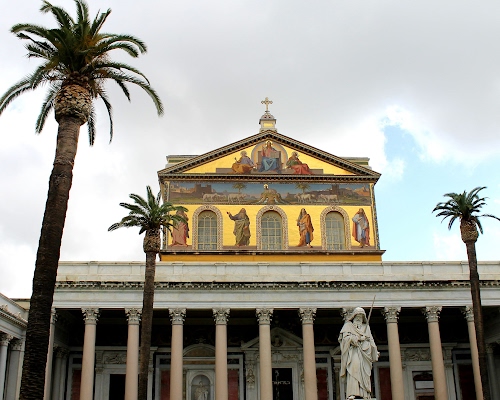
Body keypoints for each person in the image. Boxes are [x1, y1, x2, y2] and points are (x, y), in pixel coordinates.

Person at [338, 307, 379, 399]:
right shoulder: (348, 326)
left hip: (365, 353)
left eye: (361, 317)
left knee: (364, 372)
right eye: (357, 316)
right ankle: (352, 392)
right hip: (353, 352)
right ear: (353, 316)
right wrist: (358, 338)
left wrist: (374, 351)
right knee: (354, 368)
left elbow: (371, 341)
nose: (358, 319)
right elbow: (345, 339)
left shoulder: (366, 327)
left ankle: (365, 394)